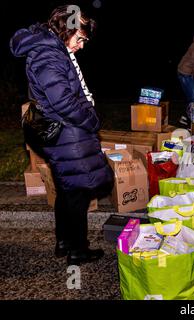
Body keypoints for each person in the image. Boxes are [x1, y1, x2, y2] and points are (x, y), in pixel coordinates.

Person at [10, 5, 114, 266]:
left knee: (68, 189)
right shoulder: (48, 54)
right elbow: (63, 101)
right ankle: (77, 250)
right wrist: (91, 120)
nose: (81, 45)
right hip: (65, 133)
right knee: (78, 190)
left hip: (63, 131)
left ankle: (64, 242)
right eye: (80, 38)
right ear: (67, 30)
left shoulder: (53, 48)